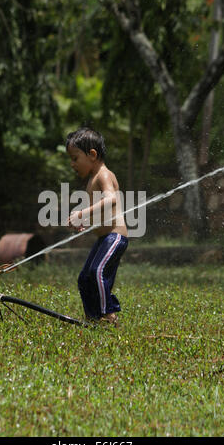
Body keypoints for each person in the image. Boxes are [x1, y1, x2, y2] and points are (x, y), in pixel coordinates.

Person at [66, 127, 128, 326]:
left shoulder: (104, 175)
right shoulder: (92, 180)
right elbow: (101, 210)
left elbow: (110, 200)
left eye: (75, 158)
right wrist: (85, 221)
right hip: (104, 238)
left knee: (97, 272)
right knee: (85, 278)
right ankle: (92, 317)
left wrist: (82, 213)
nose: (72, 164)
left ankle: (108, 315)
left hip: (115, 237)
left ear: (92, 154)